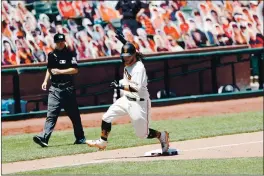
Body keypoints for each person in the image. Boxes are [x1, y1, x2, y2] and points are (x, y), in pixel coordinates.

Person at [86, 42, 170, 154]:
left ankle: (162, 135)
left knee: (142, 134)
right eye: (124, 56)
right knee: (106, 117)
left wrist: (119, 86)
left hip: (139, 103)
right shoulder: (129, 61)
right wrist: (126, 43)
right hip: (126, 99)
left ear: (134, 55)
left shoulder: (139, 68)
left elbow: (136, 88)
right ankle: (103, 141)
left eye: (128, 56)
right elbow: (132, 52)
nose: (125, 58)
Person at [33, 33, 86, 147]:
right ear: (55, 42)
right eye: (59, 42)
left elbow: (75, 70)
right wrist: (45, 81)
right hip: (55, 89)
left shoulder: (70, 54)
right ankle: (44, 138)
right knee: (51, 115)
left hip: (68, 89)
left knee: (74, 115)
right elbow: (49, 69)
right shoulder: (52, 55)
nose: (61, 43)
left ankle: (80, 138)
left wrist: (61, 71)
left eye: (62, 41)